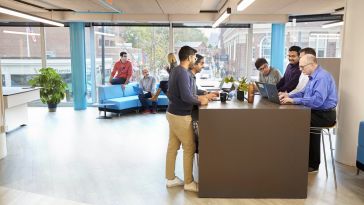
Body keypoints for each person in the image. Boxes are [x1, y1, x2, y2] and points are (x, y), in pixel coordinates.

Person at [279, 54, 337, 173]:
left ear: (312, 64)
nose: (300, 70)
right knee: (295, 118)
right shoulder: (312, 76)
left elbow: (317, 101)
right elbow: (303, 93)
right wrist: (289, 95)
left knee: (296, 120)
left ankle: (310, 163)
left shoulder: (322, 77)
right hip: (316, 112)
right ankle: (301, 159)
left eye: (302, 67)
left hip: (325, 115)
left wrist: (293, 101)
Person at [165, 46, 209, 192]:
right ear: (189, 58)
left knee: (173, 147)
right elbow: (186, 96)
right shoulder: (183, 73)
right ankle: (189, 183)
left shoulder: (176, 70)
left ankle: (170, 179)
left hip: (172, 113)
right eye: (195, 58)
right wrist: (200, 100)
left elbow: (172, 93)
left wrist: (199, 96)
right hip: (181, 116)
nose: (195, 60)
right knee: (189, 148)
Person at [188, 54, 218, 153]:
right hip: (190, 113)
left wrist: (206, 93)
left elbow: (195, 91)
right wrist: (206, 97)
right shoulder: (188, 77)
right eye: (201, 63)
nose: (203, 66)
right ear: (194, 64)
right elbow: (191, 96)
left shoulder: (192, 76)